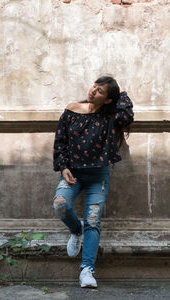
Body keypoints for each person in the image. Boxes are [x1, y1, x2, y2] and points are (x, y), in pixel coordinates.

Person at [52, 76, 134, 288]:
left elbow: (127, 115)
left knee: (93, 220)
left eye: (100, 91)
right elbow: (60, 141)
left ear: (107, 100)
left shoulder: (109, 116)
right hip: (73, 174)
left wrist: (120, 92)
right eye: (94, 87)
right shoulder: (72, 109)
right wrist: (63, 166)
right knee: (60, 205)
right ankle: (76, 230)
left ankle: (87, 270)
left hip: (99, 176)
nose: (93, 91)